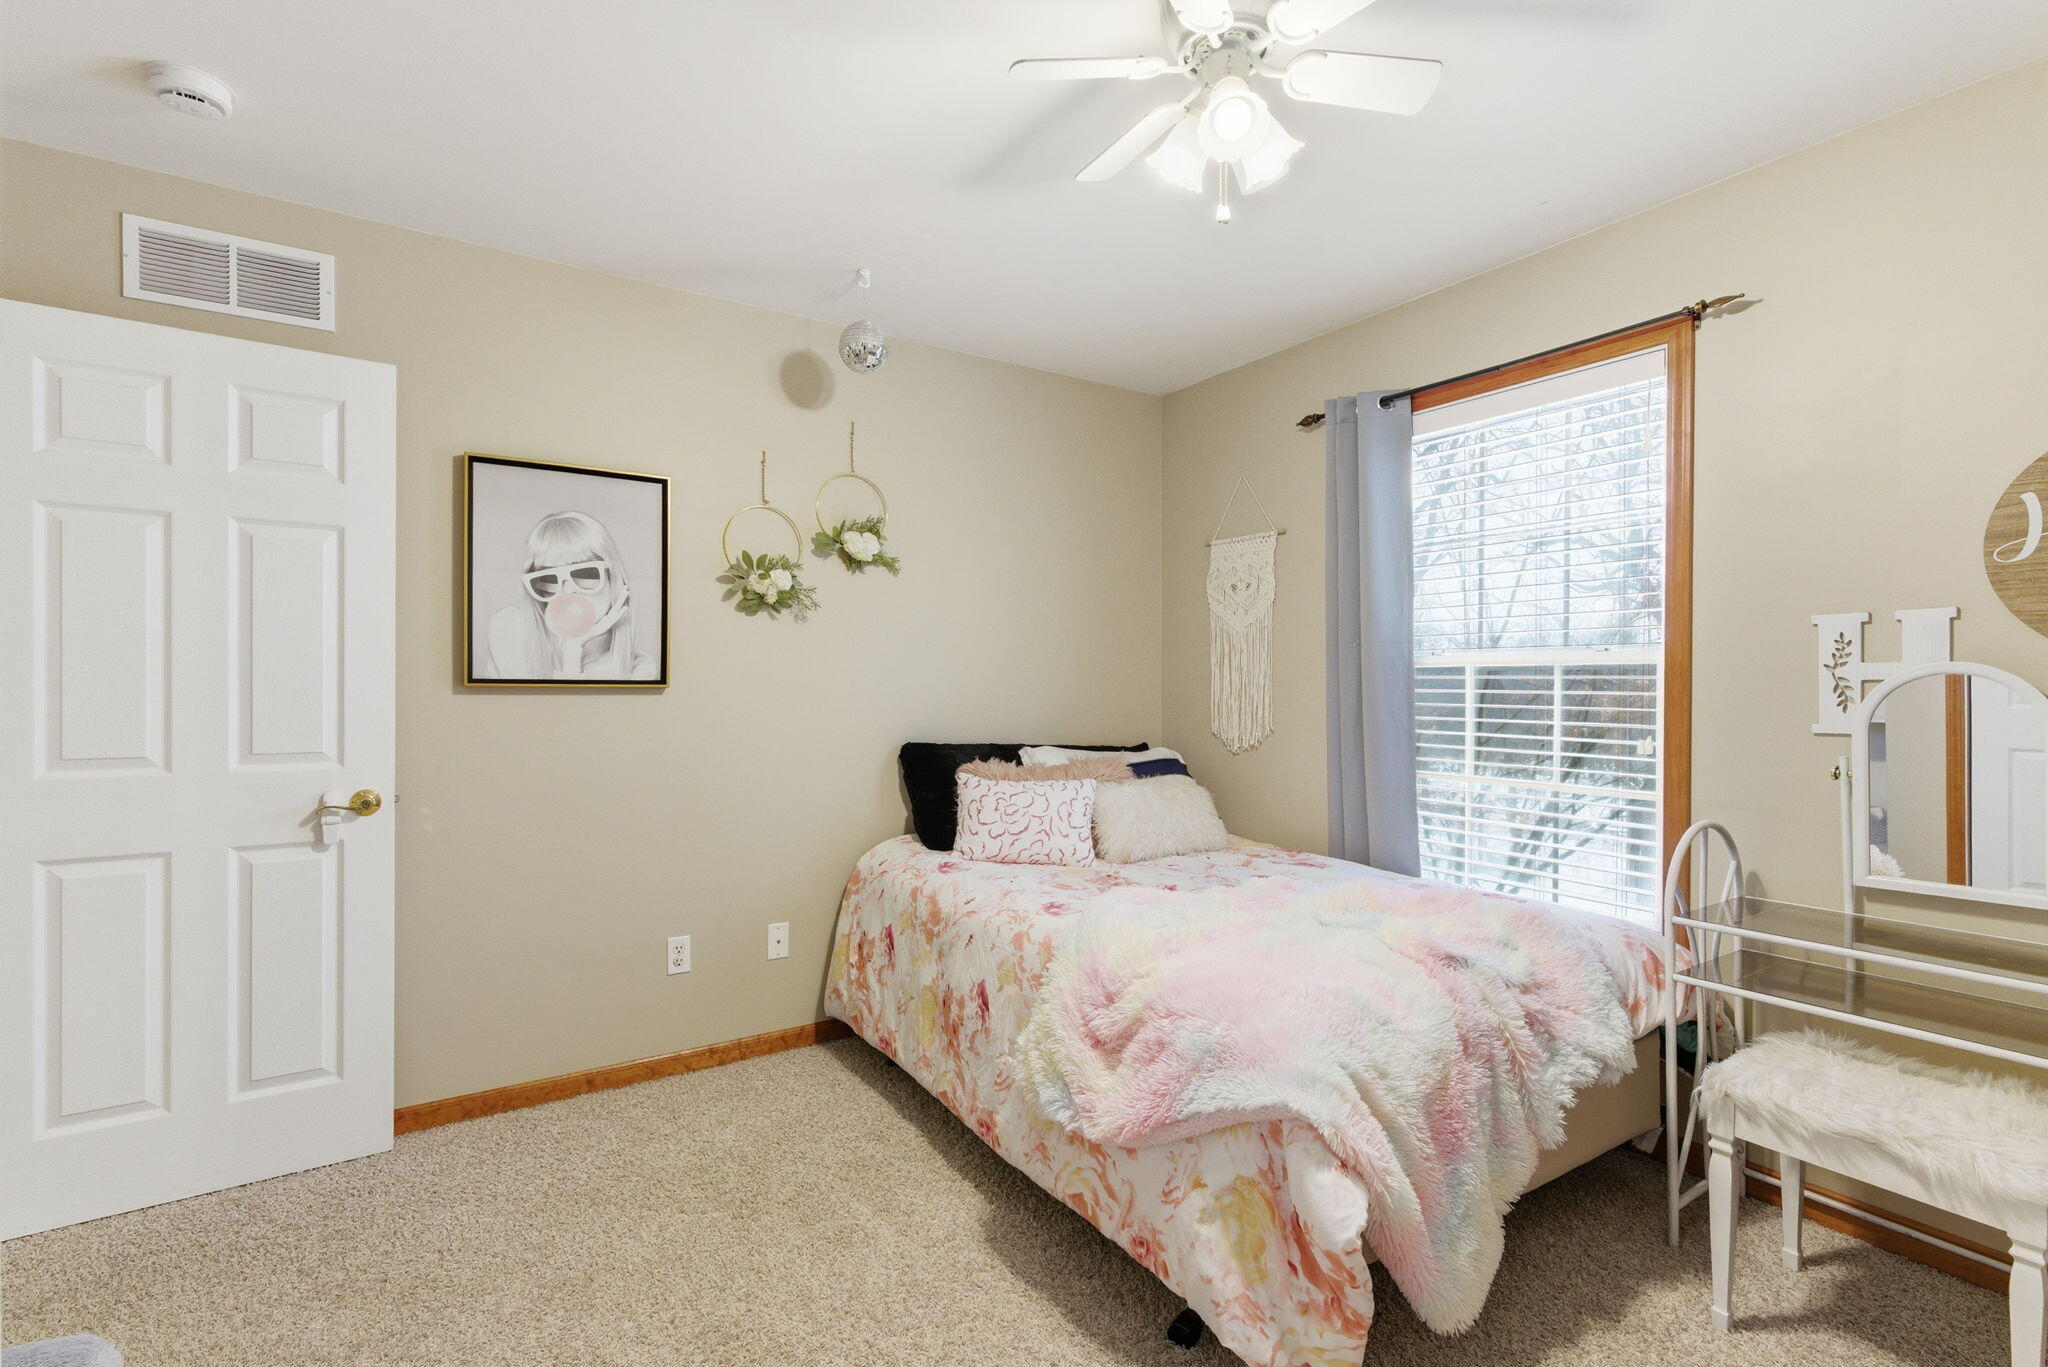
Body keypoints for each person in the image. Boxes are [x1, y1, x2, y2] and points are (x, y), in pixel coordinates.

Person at [487, 511, 656, 680]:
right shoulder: (509, 631)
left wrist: (573, 656)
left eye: (586, 573)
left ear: (614, 579)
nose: (567, 590)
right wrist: (571, 651)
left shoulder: (640, 672)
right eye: (548, 577)